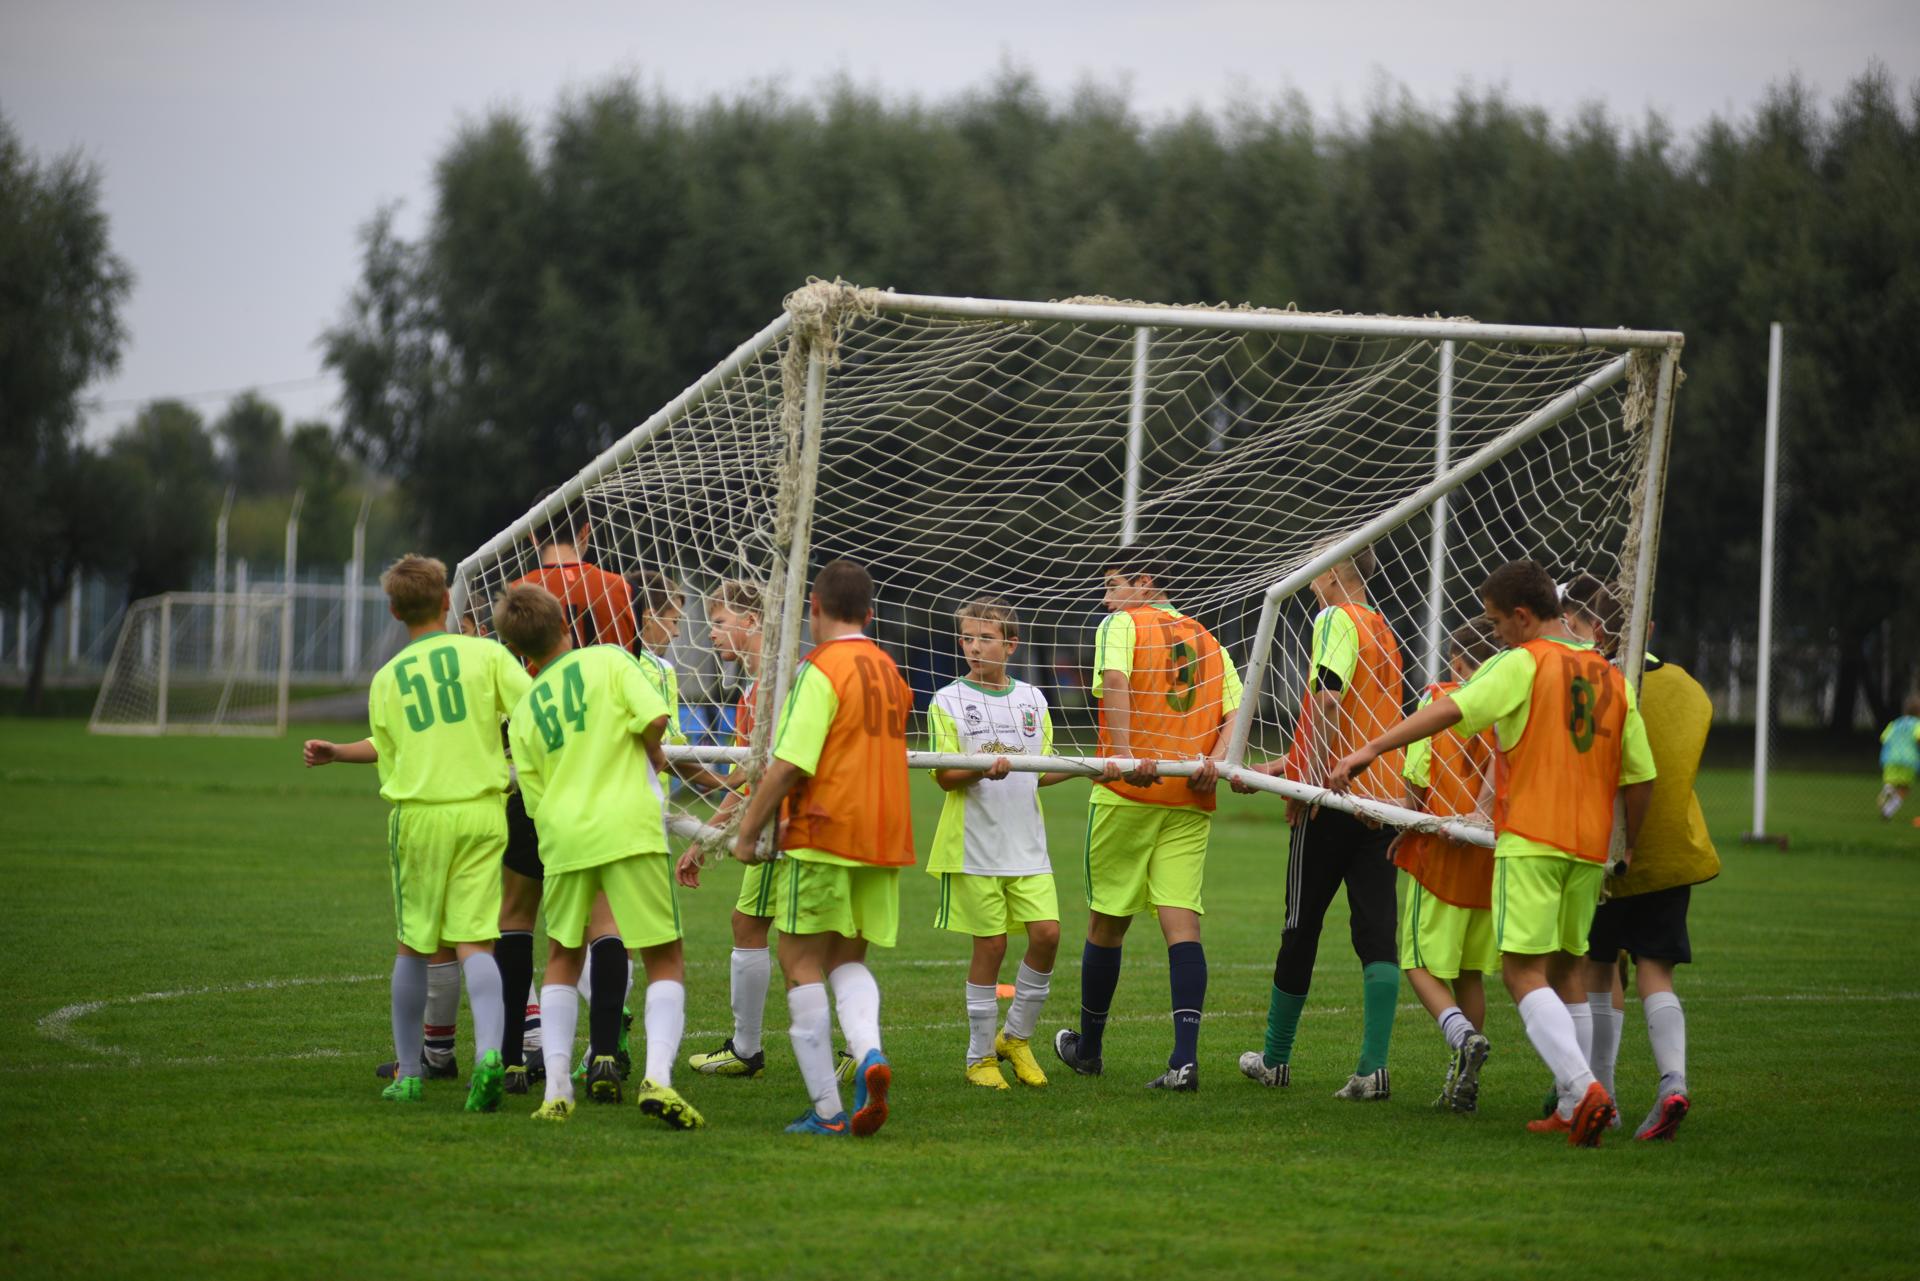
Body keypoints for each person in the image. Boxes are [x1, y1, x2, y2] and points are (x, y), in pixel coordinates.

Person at [1327, 559, 1656, 1147]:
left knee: (1521, 971)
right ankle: (1571, 1100)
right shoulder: (1613, 678)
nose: (1495, 633)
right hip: (1588, 849)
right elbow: (1640, 778)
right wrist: (1627, 848)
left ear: (1524, 618)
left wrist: (1371, 748)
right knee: (1566, 969)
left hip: (1531, 838)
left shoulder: (1524, 662)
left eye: (1498, 621)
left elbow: (1451, 709)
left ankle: (1584, 1089)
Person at [302, 554, 528, 1112]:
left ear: (395, 610)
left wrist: (335, 752)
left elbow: (385, 747)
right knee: (478, 940)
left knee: (414, 944)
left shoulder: (388, 678)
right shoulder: (487, 654)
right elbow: (530, 710)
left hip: (421, 817)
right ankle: (490, 1057)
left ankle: (408, 1072)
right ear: (448, 601)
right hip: (482, 812)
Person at [497, 583, 700, 1129]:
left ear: (522, 653)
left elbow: (532, 797)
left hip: (562, 836)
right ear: (567, 624)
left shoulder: (523, 709)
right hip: (628, 824)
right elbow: (654, 719)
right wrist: (642, 749)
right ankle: (657, 1076)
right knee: (664, 955)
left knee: (562, 955)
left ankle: (558, 1090)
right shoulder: (609, 659)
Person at [728, 560, 914, 1136]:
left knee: (799, 961)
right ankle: (870, 1053)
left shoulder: (821, 668)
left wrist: (747, 830)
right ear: (871, 613)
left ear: (814, 607)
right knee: (847, 960)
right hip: (883, 838)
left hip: (825, 831)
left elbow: (789, 764)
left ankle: (829, 1112)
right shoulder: (890, 669)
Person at [1054, 549, 1237, 1092]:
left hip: (1129, 793)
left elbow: (1114, 683)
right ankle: (1184, 1060)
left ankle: (1089, 1050)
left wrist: (1129, 756)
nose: (1106, 599)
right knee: (1182, 924)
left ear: (1145, 582)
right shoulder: (1206, 636)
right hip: (1188, 795)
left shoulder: (1122, 624)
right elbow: (1237, 710)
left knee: (1106, 921)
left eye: (1113, 585)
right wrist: (1218, 763)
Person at [1233, 545, 1405, 1101]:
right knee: (1376, 932)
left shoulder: (1334, 617)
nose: (1307, 582)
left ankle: (1276, 1059)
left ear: (1333, 573)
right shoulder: (1384, 629)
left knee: (1300, 926)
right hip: (1382, 801)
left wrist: (1310, 783)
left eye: (1312, 571)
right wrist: (1277, 767)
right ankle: (1373, 1069)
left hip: (1333, 800)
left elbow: (1328, 703)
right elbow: (1358, 718)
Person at [1563, 573, 1720, 1140]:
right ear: (1648, 627)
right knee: (1656, 971)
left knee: (1597, 969)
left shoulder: (1598, 682)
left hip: (1609, 852)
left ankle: (1602, 1093)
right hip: (1673, 851)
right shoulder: (1688, 688)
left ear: (1594, 628)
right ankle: (1672, 1081)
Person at [494, 494, 639, 1095]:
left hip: (531, 765)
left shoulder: (514, 593)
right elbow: (628, 660)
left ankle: (509, 1054)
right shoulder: (614, 587)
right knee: (604, 921)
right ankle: (605, 1050)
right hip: (599, 771)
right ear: (585, 529)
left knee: (515, 914)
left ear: (531, 537)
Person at [927, 597, 1083, 1089]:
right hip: (973, 846)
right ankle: (979, 1059)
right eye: (968, 637)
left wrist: (1083, 768)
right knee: (990, 945)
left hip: (1027, 845)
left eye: (985, 638)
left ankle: (1015, 1038)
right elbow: (943, 775)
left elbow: (1039, 771)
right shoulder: (946, 700)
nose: (974, 646)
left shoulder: (1033, 700)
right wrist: (982, 769)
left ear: (1011, 644)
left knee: (1048, 935)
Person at [1393, 618, 1500, 1113]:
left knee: (1417, 963)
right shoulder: (1507, 705)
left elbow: (1417, 774)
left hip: (1440, 848)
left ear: (1457, 662)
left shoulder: (1439, 698)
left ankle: (1461, 1038)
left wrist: (1402, 826)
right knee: (1470, 972)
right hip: (1490, 856)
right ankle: (1464, 1081)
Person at [1877, 694, 1920, 821]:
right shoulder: (1917, 724)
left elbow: (1883, 738)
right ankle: (1887, 812)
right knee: (1904, 788)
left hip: (1890, 758)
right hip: (1909, 760)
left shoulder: (1894, 724)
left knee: (1891, 780)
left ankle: (1888, 788)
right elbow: (1918, 739)